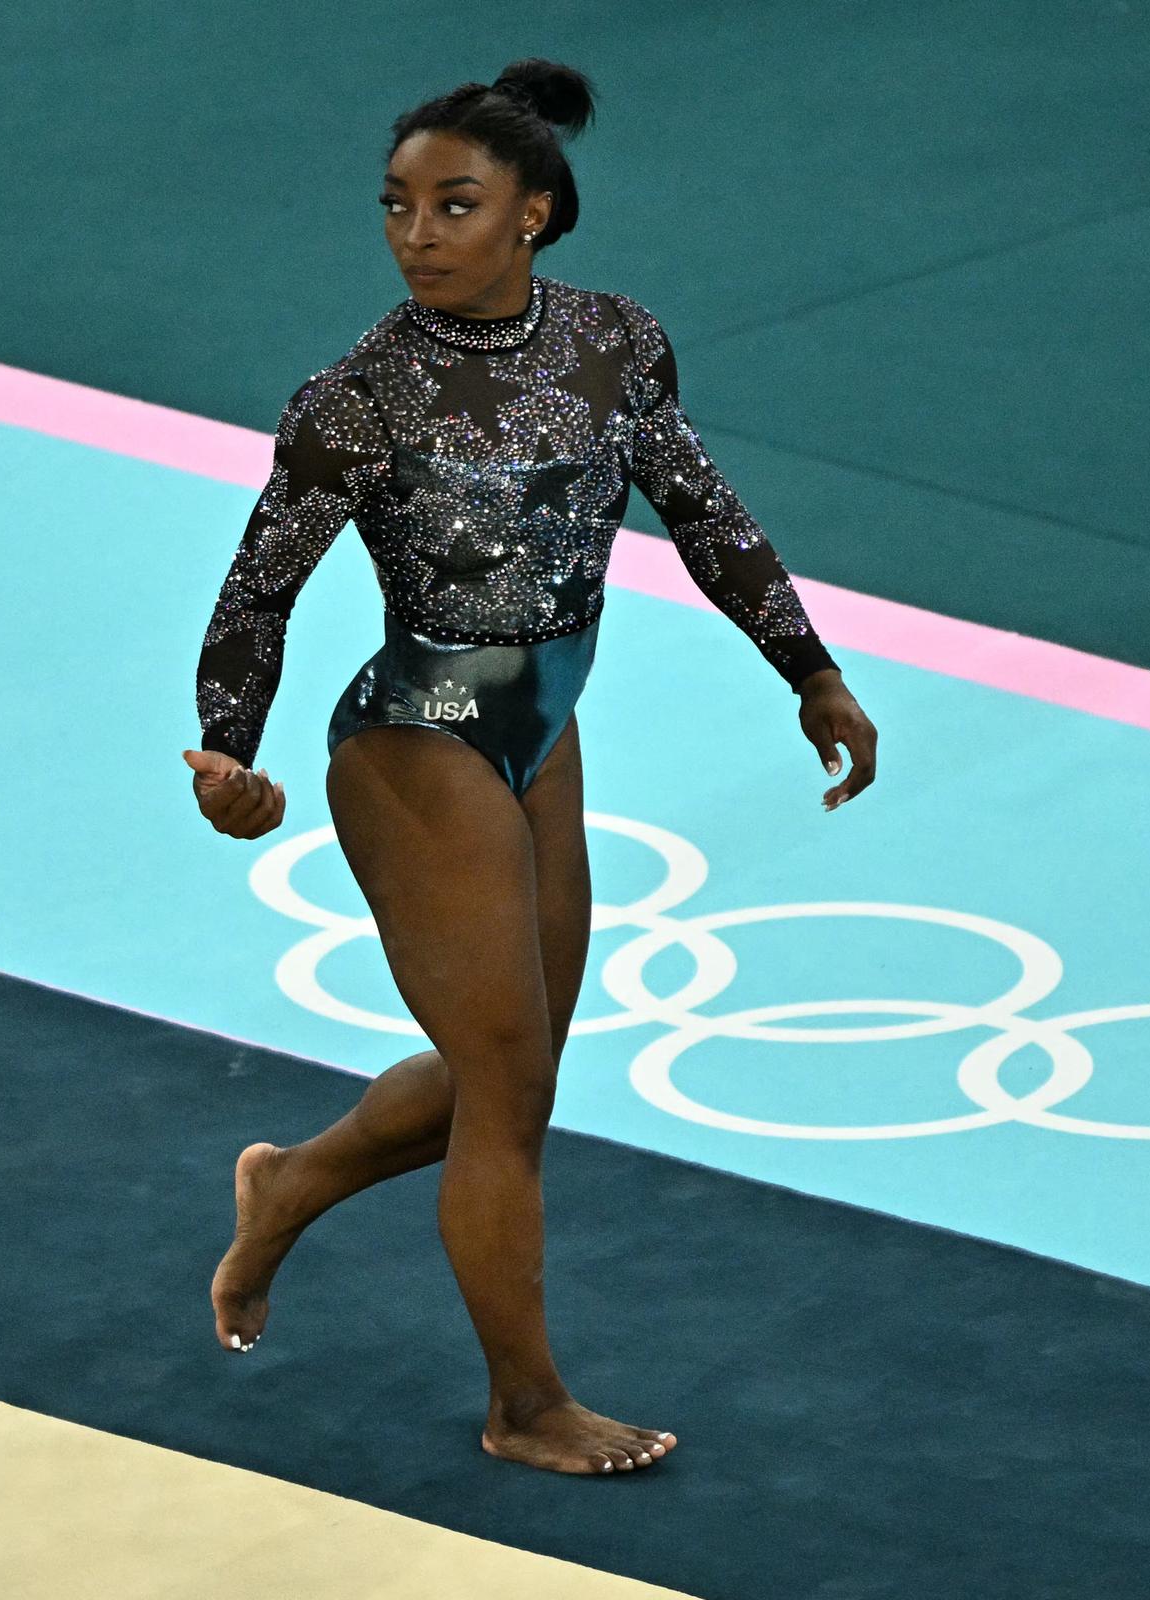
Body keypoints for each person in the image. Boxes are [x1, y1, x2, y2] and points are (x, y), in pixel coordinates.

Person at [181, 58, 879, 1477]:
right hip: (415, 737)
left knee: (518, 1071)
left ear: (536, 215)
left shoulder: (616, 345)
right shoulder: (359, 398)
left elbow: (704, 510)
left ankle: (288, 1185)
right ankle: (526, 1406)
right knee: (509, 1100)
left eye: (454, 204)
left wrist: (808, 666)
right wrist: (226, 752)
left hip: (542, 733)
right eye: (396, 207)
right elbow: (260, 592)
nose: (416, 233)